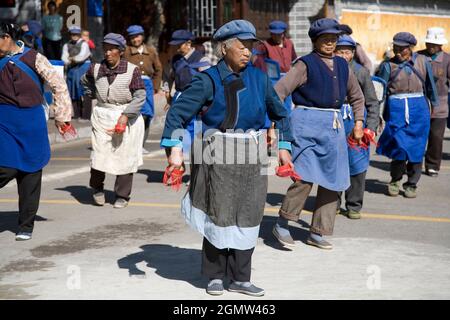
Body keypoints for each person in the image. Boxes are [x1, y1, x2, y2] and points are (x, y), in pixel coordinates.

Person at [160, 19, 293, 296]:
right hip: (215, 151)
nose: (248, 52)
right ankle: (214, 275)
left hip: (253, 152)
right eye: (242, 46)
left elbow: (280, 113)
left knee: (249, 212)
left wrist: (283, 147)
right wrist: (175, 149)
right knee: (218, 213)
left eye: (251, 47)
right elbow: (178, 113)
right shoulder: (207, 79)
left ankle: (242, 277)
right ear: (224, 49)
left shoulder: (259, 78)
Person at [272, 18, 365, 250]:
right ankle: (283, 223)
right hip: (306, 125)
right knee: (304, 175)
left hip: (333, 127)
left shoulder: (344, 66)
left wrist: (359, 122)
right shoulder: (304, 64)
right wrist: (275, 124)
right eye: (325, 39)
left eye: (334, 38)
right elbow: (278, 92)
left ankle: (319, 231)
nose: (330, 43)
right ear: (315, 41)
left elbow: (356, 96)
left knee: (333, 180)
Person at [0, 23, 72, 240]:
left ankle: (25, 225)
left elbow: (58, 84)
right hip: (4, 122)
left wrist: (62, 116)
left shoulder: (34, 58)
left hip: (31, 123)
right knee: (5, 167)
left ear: (5, 37)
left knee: (31, 173)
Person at [81, 33, 146, 209]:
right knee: (99, 154)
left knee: (125, 156)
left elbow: (140, 96)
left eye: (112, 49)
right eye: (106, 49)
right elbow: (85, 82)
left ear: (121, 51)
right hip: (103, 114)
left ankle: (122, 195)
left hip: (126, 114)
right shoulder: (95, 69)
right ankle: (97, 189)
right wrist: (94, 95)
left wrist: (125, 116)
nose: (108, 53)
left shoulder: (132, 70)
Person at [376, 32, 439, 198]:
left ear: (410, 48)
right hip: (396, 109)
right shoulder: (387, 66)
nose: (397, 52)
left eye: (402, 49)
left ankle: (412, 183)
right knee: (399, 146)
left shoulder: (423, 62)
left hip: (419, 109)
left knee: (417, 148)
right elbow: (379, 91)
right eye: (395, 47)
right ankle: (395, 180)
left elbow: (430, 86)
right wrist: (377, 114)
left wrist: (434, 106)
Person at [334, 34, 380, 219]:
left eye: (348, 51)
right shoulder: (330, 70)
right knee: (334, 162)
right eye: (340, 51)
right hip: (334, 120)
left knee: (357, 163)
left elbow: (372, 102)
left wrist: (371, 126)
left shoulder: (361, 72)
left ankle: (353, 205)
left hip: (356, 120)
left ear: (353, 53)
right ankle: (332, 202)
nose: (344, 55)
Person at [168, 29, 210, 157]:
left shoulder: (201, 58)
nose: (176, 48)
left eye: (179, 44)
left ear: (188, 43)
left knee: (194, 134)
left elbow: (208, 81)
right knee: (173, 130)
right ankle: (177, 162)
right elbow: (172, 77)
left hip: (195, 100)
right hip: (178, 98)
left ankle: (195, 166)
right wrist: (169, 94)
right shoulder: (176, 59)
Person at [124, 25, 163, 154]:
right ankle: (130, 144)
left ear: (142, 36)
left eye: (137, 36)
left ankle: (141, 144)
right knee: (132, 114)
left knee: (147, 115)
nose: (135, 39)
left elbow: (158, 69)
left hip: (147, 84)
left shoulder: (150, 51)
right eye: (132, 37)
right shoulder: (126, 51)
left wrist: (156, 86)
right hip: (131, 85)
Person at [417, 27, 450, 177]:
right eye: (429, 43)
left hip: (440, 104)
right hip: (420, 102)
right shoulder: (418, 56)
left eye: (434, 44)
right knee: (417, 134)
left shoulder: (447, 59)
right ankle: (414, 163)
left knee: (436, 136)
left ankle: (432, 165)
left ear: (440, 45)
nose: (430, 46)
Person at [62, 26, 91, 120]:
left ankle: (86, 115)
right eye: (72, 34)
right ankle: (77, 114)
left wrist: (72, 59)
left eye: (76, 34)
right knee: (72, 91)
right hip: (72, 69)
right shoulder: (66, 45)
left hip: (83, 68)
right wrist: (68, 61)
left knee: (85, 91)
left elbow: (82, 55)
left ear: (79, 35)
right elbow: (64, 57)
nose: (74, 36)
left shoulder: (84, 44)